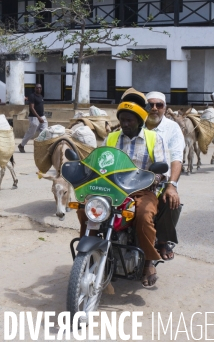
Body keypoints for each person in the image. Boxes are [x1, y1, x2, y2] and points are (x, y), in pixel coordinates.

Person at [76, 88, 169, 287]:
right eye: (123, 119)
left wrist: (156, 176)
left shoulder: (154, 139)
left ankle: (148, 262)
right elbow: (99, 160)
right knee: (86, 208)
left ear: (140, 121)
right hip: (113, 189)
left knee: (144, 216)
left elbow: (163, 169)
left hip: (142, 190)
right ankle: (86, 254)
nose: (125, 124)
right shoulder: (112, 138)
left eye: (130, 120)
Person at [144, 91, 184, 261]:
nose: (154, 108)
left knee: (171, 200)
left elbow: (176, 157)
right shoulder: (135, 123)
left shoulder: (172, 128)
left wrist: (172, 185)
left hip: (162, 180)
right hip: (134, 179)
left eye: (158, 105)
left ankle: (162, 240)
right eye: (150, 105)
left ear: (165, 108)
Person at [18, 84, 47, 153]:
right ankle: (21, 145)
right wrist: (38, 117)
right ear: (35, 88)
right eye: (37, 88)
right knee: (31, 133)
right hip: (34, 118)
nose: (39, 89)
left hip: (42, 117)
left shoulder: (41, 96)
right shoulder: (32, 96)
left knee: (45, 132)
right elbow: (32, 108)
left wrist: (42, 116)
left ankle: (42, 147)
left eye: (40, 88)